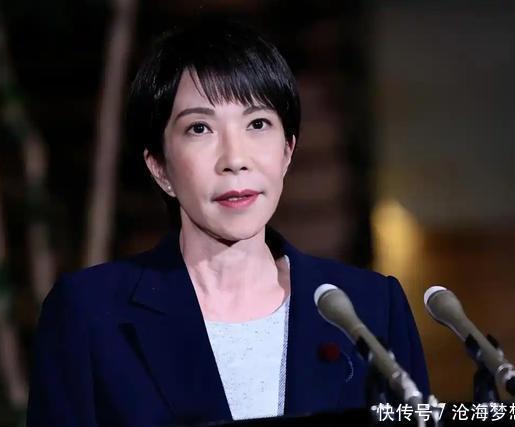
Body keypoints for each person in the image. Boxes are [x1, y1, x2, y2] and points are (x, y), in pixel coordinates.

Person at [26, 19, 429, 427]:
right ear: (160, 167)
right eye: (200, 128)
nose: (235, 159)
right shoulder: (89, 314)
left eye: (258, 124)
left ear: (287, 151)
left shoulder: (371, 308)